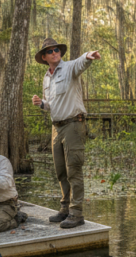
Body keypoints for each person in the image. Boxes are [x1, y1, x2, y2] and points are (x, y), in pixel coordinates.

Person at [31, 37, 101, 228]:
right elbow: (51, 105)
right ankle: (65, 209)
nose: (55, 53)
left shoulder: (70, 67)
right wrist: (41, 104)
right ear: (44, 57)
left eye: (57, 50)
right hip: (56, 127)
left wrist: (89, 55)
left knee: (74, 170)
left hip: (73, 125)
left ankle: (77, 213)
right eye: (50, 51)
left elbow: (81, 63)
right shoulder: (46, 78)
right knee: (61, 171)